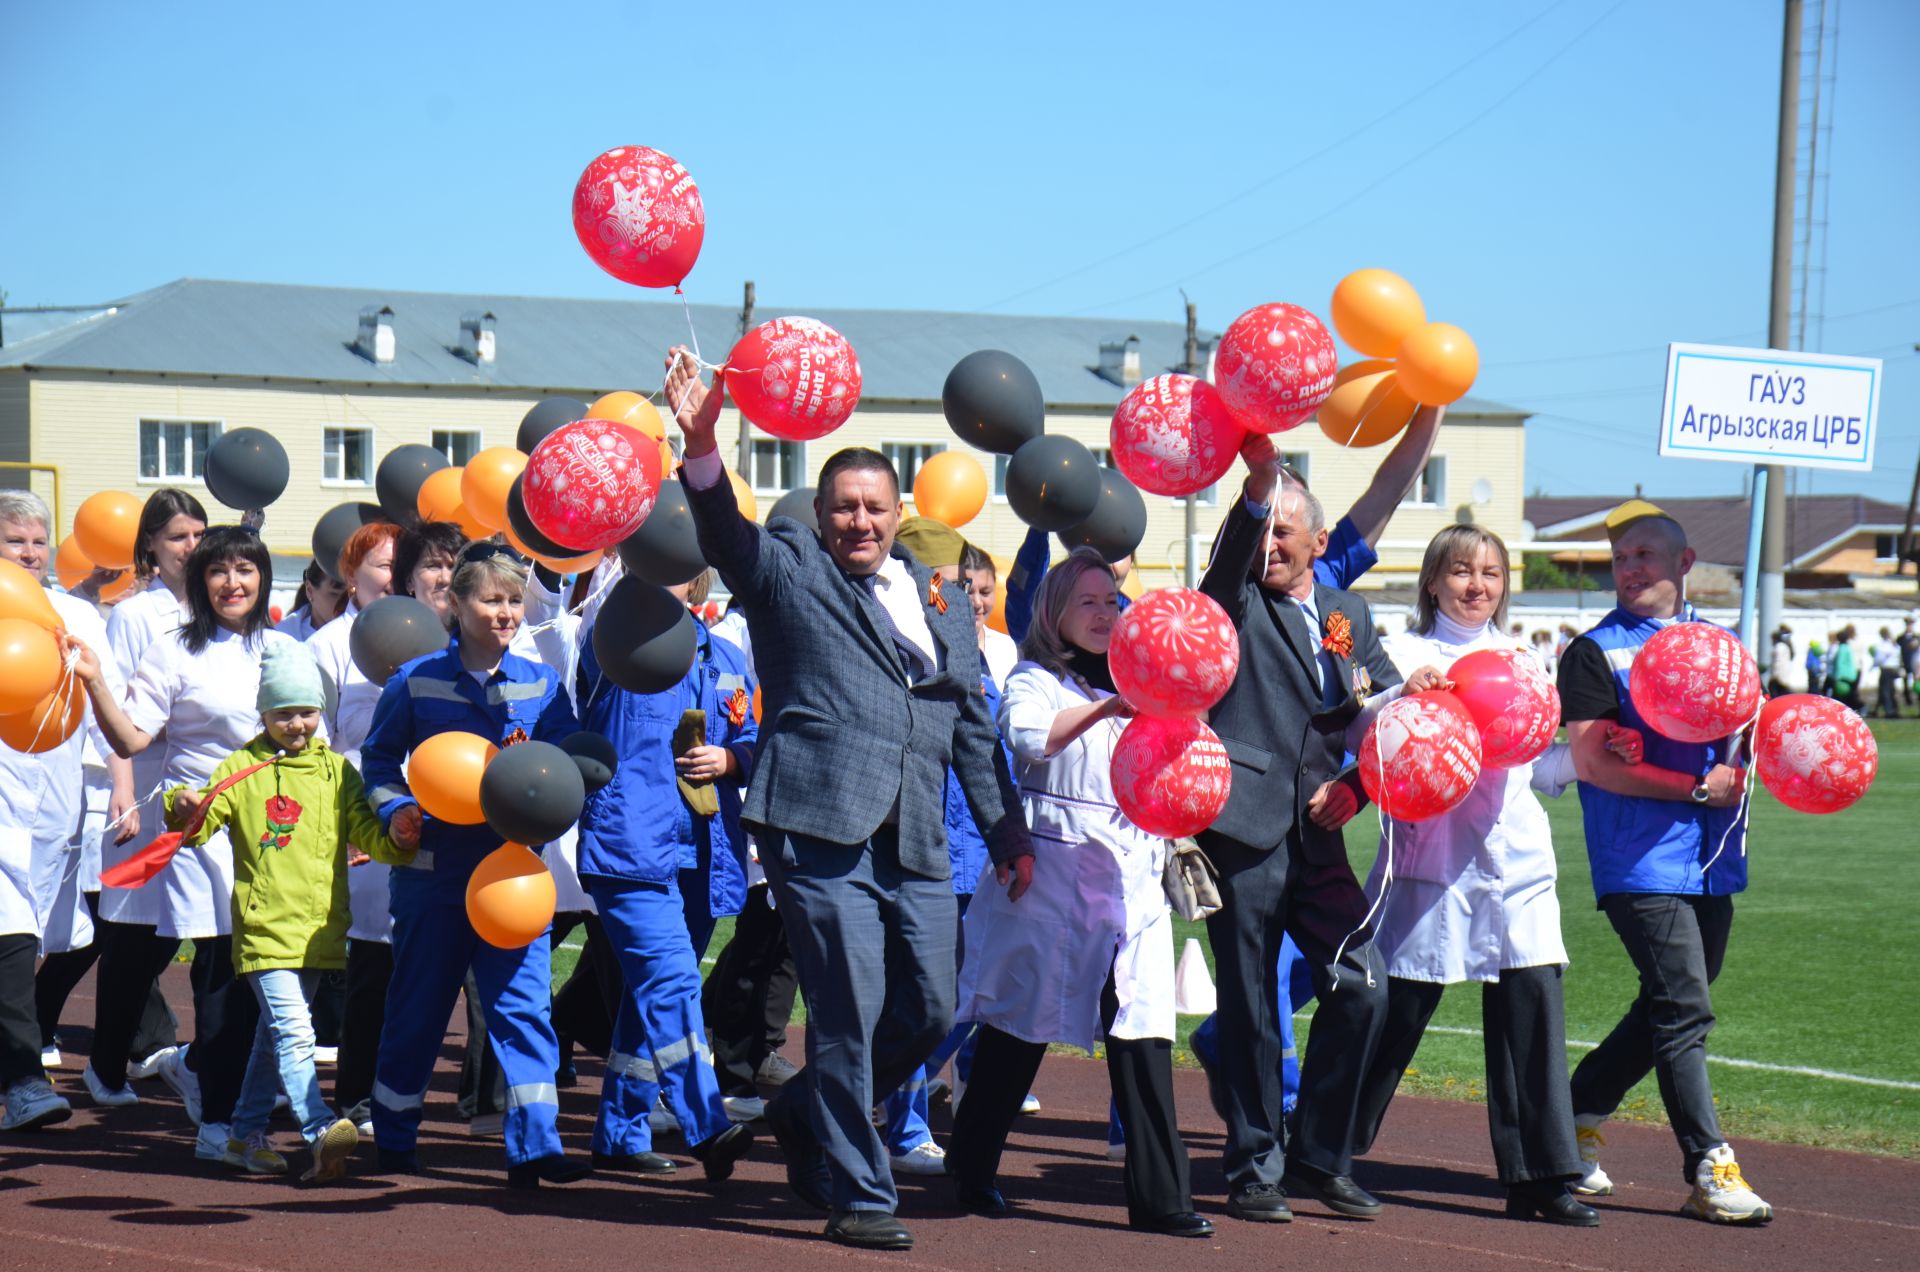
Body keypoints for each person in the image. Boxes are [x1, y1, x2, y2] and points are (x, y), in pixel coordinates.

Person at [667, 347, 1030, 1252]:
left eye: (875, 507)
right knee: (847, 1008)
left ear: (900, 515)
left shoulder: (944, 597)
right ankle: (862, 1194)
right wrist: (704, 443)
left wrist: (1009, 831)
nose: (859, 521)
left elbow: (970, 726)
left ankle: (799, 1115)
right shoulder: (794, 571)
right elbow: (731, 545)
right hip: (817, 826)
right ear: (821, 517)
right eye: (843, 507)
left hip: (914, 834)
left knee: (935, 1011)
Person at [948, 549, 1211, 1238]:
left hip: (1132, 880)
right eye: (1088, 601)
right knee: (1017, 1029)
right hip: (1053, 880)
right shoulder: (1037, 678)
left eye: (1112, 600)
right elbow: (1028, 740)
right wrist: (1105, 711)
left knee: (1144, 1033)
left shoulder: (1151, 687)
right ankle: (969, 1171)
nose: (1105, 613)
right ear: (1055, 611)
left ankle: (1162, 1198)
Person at [1343, 526, 1600, 1226]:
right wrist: (1403, 696)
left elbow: (1538, 768)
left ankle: (1542, 1178)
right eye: (1460, 571)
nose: (1476, 585)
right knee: (1390, 1016)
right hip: (1431, 865)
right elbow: (1359, 737)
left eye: (1490, 573)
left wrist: (1590, 756)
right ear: (1433, 581)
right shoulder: (1402, 653)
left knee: (1532, 1015)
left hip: (1514, 866)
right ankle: (1324, 1148)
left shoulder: (1524, 661)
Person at [1195, 436, 1401, 1224]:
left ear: (1321, 543)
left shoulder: (1346, 612)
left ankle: (1320, 1156)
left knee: (1363, 985)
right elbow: (1226, 567)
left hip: (1319, 837)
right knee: (1249, 1005)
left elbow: (1378, 712)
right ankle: (1253, 1168)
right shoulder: (1235, 599)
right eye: (1265, 530)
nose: (1273, 544)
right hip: (1239, 831)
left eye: (1288, 531)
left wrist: (1358, 786)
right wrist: (1254, 492)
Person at [1557, 499, 1773, 1224]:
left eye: (1645, 556)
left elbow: (1752, 738)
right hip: (1638, 863)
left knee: (1667, 1003)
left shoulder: (1724, 647)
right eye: (1621, 559)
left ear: (1684, 565)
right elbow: (1593, 763)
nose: (1629, 569)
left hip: (1713, 858)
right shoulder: (1594, 652)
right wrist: (1690, 784)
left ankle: (1573, 1119)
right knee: (1684, 1005)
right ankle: (1710, 1168)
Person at [70, 525, 303, 1165]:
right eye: (219, 570)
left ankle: (211, 1083)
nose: (234, 583)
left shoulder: (284, 648)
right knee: (228, 968)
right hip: (201, 830)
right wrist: (93, 681)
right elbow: (130, 740)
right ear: (200, 582)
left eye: (246, 569)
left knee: (267, 975)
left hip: (277, 833)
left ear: (263, 578)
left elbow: (313, 741)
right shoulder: (173, 651)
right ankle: (219, 1128)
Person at [358, 545, 587, 1188]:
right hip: (432, 878)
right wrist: (396, 808)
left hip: (513, 876)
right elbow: (377, 763)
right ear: (455, 606)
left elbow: (563, 763)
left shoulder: (542, 683)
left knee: (522, 1010)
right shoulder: (415, 679)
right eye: (490, 599)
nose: (506, 612)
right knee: (418, 1008)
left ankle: (535, 1148)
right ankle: (395, 1134)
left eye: (514, 600)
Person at [153, 642, 414, 1179]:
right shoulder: (243, 768)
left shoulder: (340, 773)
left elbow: (366, 834)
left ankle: (244, 1136)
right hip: (265, 930)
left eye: (307, 712)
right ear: (263, 714)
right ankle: (320, 1130)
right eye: (283, 713)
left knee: (273, 1041)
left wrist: (397, 836)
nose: (296, 724)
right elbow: (200, 816)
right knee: (296, 1033)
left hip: (320, 932)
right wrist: (178, 802)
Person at [573, 569, 757, 1179]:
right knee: (674, 983)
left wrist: (732, 758)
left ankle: (620, 1132)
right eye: (655, 569)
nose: (667, 583)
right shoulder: (612, 641)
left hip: (706, 853)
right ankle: (706, 1123)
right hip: (631, 846)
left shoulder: (726, 654)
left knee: (643, 998)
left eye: (678, 572)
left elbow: (756, 737)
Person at [882, 541, 1012, 1175]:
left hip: (975, 855)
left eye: (977, 588)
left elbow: (993, 756)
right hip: (927, 847)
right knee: (923, 993)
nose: (971, 600)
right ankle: (904, 1126)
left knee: (969, 995)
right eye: (957, 587)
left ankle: (903, 1098)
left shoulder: (991, 657)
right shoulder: (915, 648)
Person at [0, 492, 123, 1131]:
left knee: (46, 931)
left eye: (37, 540)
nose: (28, 552)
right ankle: (23, 1080)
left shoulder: (76, 616)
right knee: (10, 936)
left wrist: (124, 785)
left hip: (54, 804)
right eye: (14, 540)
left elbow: (105, 711)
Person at [84, 489, 208, 1103]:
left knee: (195, 930)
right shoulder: (137, 614)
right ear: (150, 546)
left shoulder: (218, 606)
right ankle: (105, 1066)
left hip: (205, 794)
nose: (191, 546)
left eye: (198, 534)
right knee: (137, 935)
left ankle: (196, 1061)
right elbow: (124, 717)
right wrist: (126, 795)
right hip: (151, 787)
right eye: (179, 536)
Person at [302, 519, 407, 1133]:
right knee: (370, 960)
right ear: (350, 575)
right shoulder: (329, 646)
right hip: (364, 810)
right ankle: (355, 1095)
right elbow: (318, 738)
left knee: (419, 961)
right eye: (383, 566)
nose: (395, 578)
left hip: (431, 809)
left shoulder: (435, 636)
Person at [276, 560, 349, 641]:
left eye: (352, 594)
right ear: (310, 590)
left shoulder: (361, 637)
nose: (346, 602)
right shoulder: (282, 640)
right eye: (335, 594)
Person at [1870, 627, 1902, 719]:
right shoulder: (1893, 644)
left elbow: (1879, 658)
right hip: (1894, 669)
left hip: (1886, 669)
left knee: (1885, 691)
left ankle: (1889, 711)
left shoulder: (1883, 645)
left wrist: (1873, 666)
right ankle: (1893, 709)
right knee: (1891, 690)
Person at [1829, 626, 1861, 711]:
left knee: (1840, 696)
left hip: (1843, 675)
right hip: (1851, 674)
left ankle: (1858, 707)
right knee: (1851, 694)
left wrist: (1837, 676)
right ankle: (1855, 708)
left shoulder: (1841, 648)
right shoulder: (1848, 647)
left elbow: (1840, 663)